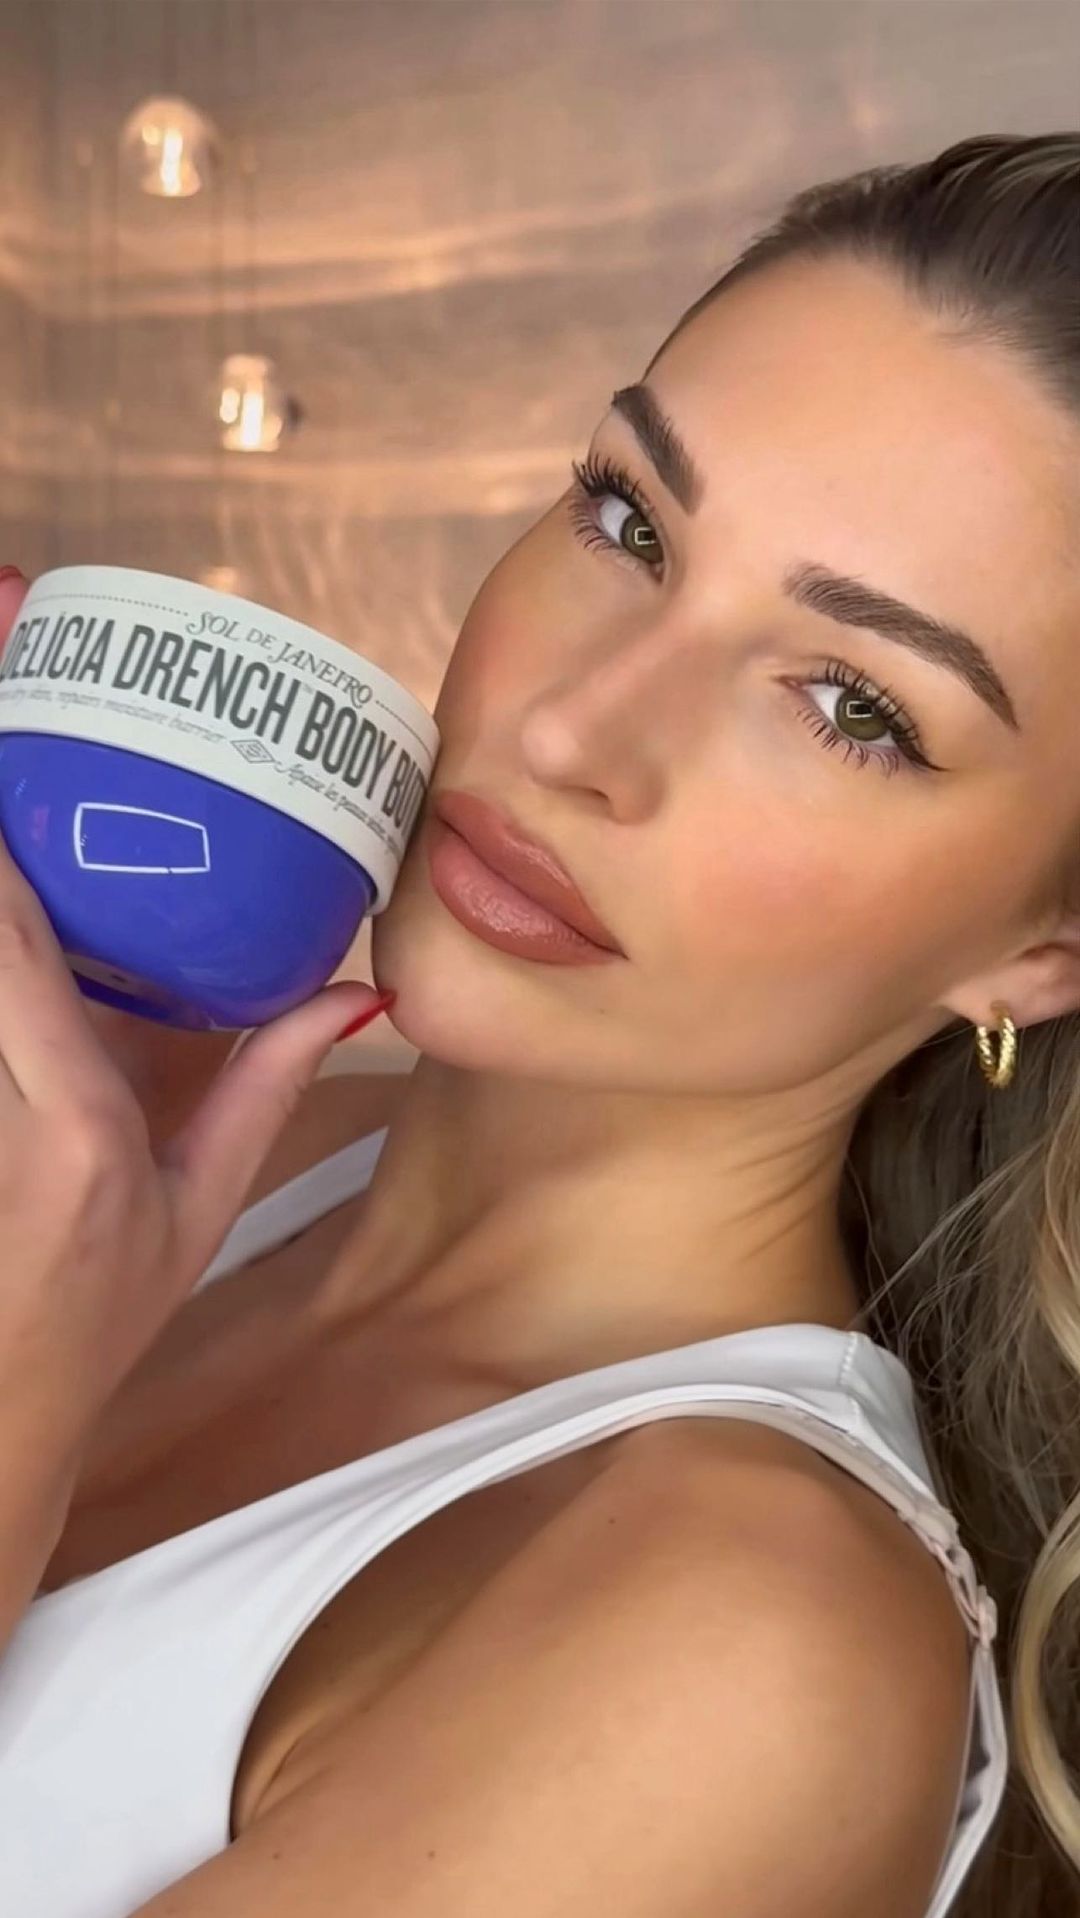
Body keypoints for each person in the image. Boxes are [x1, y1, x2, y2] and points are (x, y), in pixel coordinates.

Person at [0, 129, 1076, 1918]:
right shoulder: (176, 1167)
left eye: (851, 706)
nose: (574, 727)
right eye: (629, 521)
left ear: (1045, 947)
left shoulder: (753, 1652)